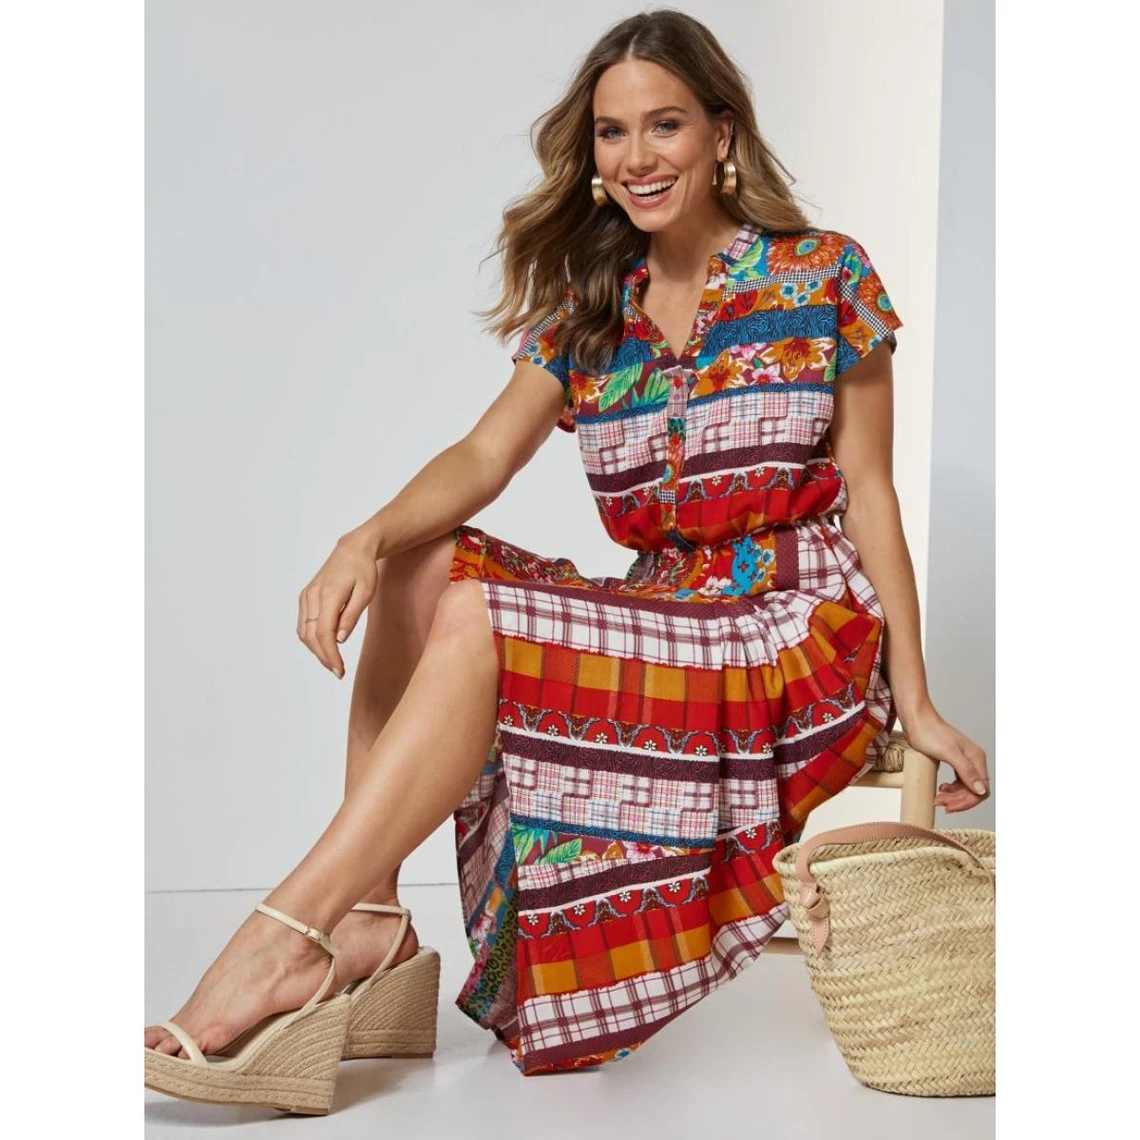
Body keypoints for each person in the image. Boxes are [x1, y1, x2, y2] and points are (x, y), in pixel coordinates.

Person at [145, 7, 990, 1112]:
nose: (637, 156)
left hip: (795, 631)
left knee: (482, 612)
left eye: (665, 125)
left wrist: (916, 701)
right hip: (669, 616)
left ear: (722, 133)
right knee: (423, 564)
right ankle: (371, 920)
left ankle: (283, 936)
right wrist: (365, 536)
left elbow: (871, 493)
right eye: (612, 131)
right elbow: (482, 456)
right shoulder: (593, 309)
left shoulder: (823, 275)